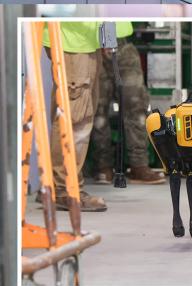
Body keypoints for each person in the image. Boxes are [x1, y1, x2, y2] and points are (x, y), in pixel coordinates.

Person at [41, 22, 107, 211]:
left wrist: (106, 36)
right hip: (72, 38)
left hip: (86, 39)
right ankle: (64, 189)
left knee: (80, 115)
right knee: (75, 118)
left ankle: (61, 186)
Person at [90, 21, 164, 185]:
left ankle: (139, 166)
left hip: (121, 43)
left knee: (137, 106)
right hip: (90, 45)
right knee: (97, 111)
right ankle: (103, 167)